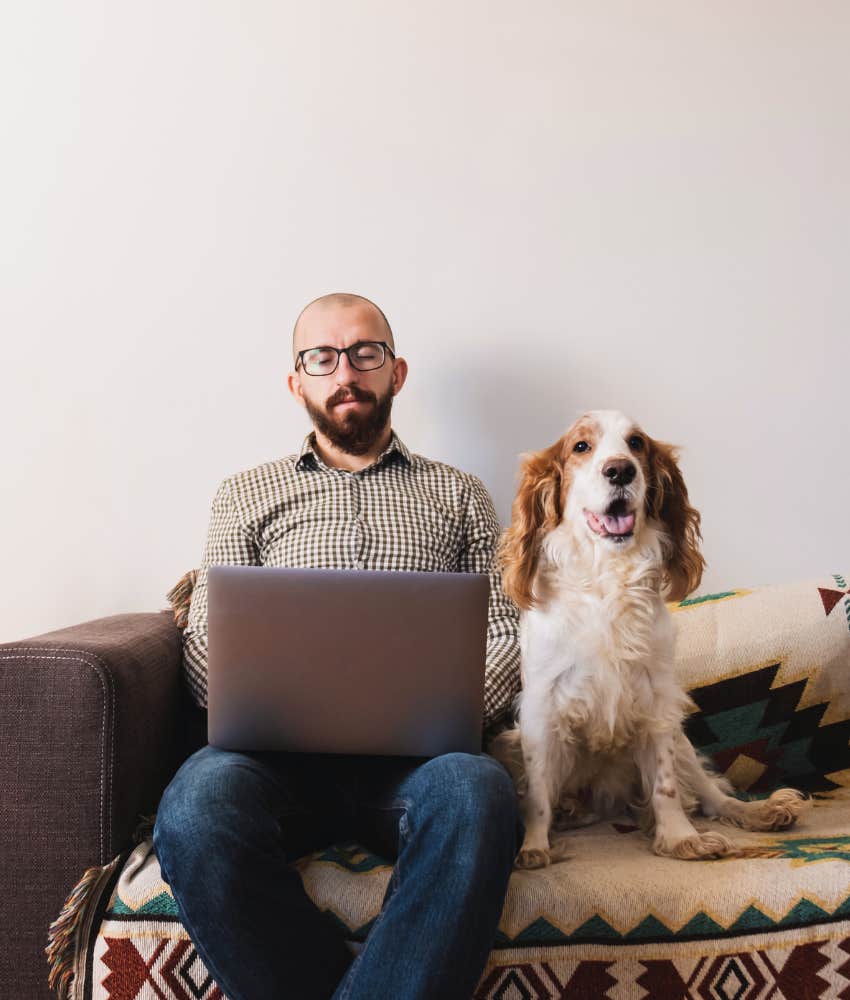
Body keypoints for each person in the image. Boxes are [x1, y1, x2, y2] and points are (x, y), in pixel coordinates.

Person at [153, 292, 522, 1000]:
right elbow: (204, 637)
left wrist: (447, 703)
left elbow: (505, 629)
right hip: (270, 760)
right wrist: (259, 697)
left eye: (364, 353)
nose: (344, 371)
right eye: (321, 357)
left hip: (421, 764)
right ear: (297, 382)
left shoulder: (460, 495)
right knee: (196, 809)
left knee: (480, 793)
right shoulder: (244, 494)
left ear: (397, 372)